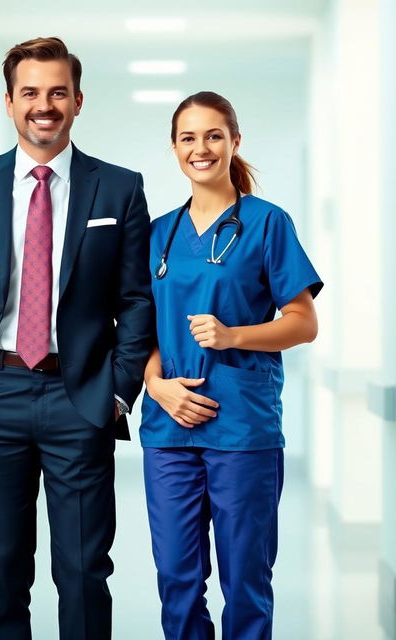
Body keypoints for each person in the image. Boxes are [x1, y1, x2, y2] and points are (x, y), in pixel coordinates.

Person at [0, 37, 153, 640]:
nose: (43, 105)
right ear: (8, 102)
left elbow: (136, 301)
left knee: (81, 572)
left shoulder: (119, 189)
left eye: (57, 92)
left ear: (78, 100)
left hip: (79, 398)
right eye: (30, 92)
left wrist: (119, 391)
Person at [140, 91, 323, 640]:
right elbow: (140, 328)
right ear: (174, 148)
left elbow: (303, 321)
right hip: (169, 429)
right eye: (189, 138)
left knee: (244, 579)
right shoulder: (157, 234)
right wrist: (155, 385)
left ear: (233, 142)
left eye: (213, 136)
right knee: (176, 578)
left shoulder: (267, 224)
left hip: (242, 428)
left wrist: (233, 334)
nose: (201, 148)